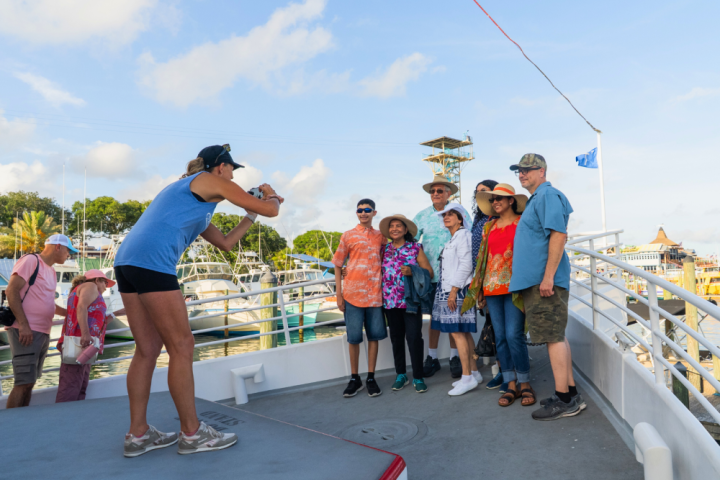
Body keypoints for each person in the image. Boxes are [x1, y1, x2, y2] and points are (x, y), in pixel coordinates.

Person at [114, 144, 283, 457]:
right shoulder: (210, 180)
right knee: (182, 345)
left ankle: (137, 434)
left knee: (147, 349)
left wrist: (249, 214)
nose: (233, 176)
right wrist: (270, 195)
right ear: (220, 166)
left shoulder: (191, 199)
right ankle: (192, 434)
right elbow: (272, 210)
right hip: (153, 262)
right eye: (232, 169)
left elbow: (226, 243)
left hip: (127, 262)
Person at [508, 153, 585, 420]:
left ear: (542, 171)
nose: (521, 174)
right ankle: (570, 393)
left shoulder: (548, 196)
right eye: (519, 170)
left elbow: (559, 234)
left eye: (527, 169)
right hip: (539, 282)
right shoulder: (536, 200)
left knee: (552, 337)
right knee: (557, 335)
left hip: (545, 283)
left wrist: (548, 277)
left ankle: (565, 401)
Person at [465, 184, 535, 407]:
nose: (495, 202)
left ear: (511, 200)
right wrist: (481, 290)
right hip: (492, 287)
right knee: (501, 337)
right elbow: (483, 259)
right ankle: (510, 383)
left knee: (515, 335)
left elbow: (531, 252)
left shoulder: (523, 223)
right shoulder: (489, 226)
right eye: (492, 199)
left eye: (499, 199)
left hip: (515, 287)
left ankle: (525, 383)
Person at [413, 175, 473, 379]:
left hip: (456, 277)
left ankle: (455, 357)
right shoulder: (421, 216)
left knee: (454, 319)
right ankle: (432, 357)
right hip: (431, 277)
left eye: (440, 190)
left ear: (449, 193)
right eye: (432, 191)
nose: (436, 194)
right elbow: (411, 242)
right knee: (434, 318)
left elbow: (470, 237)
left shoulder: (458, 213)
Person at [5, 234, 74, 408]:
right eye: (68, 250)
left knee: (30, 382)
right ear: (57, 246)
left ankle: (23, 422)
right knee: (22, 383)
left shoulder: (50, 270)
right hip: (26, 331)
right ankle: (11, 427)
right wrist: (23, 325)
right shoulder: (31, 261)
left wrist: (71, 313)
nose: (69, 255)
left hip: (42, 331)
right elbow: (11, 291)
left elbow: (49, 303)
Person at [333, 199, 387, 398]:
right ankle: (354, 378)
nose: (363, 213)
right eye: (360, 210)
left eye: (367, 210)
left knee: (374, 337)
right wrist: (339, 295)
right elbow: (338, 264)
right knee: (353, 339)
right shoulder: (348, 236)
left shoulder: (381, 237)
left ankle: (371, 377)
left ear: (374, 213)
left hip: (375, 296)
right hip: (352, 296)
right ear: (356, 212)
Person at [379, 214, 434, 394]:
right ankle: (401, 374)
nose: (394, 229)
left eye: (398, 226)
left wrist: (413, 271)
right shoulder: (384, 249)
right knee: (396, 339)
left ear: (406, 230)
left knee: (413, 338)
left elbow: (429, 273)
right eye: (392, 226)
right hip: (390, 302)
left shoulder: (414, 248)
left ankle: (418, 377)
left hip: (410, 302)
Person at [56, 270, 126, 403]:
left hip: (85, 345)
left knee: (79, 385)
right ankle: (62, 419)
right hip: (80, 342)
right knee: (71, 387)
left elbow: (96, 318)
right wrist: (86, 334)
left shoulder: (87, 290)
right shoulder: (90, 286)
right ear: (96, 280)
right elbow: (81, 307)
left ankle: (74, 416)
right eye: (105, 282)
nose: (106, 287)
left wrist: (118, 313)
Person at [431, 203, 480, 396]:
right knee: (464, 333)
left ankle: (466, 377)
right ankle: (474, 373)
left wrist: (453, 291)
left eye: (451, 214)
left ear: (460, 219)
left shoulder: (463, 236)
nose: (446, 217)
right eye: (444, 215)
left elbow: (467, 265)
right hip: (452, 289)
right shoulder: (454, 238)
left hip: (458, 290)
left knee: (458, 333)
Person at [469, 179, 505, 391]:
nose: (480, 195)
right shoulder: (479, 218)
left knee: (504, 329)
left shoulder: (500, 218)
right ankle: (503, 370)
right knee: (495, 328)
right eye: (477, 192)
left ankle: (508, 371)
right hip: (483, 280)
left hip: (500, 280)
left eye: (485, 192)